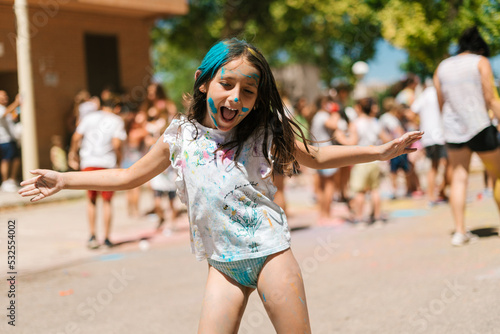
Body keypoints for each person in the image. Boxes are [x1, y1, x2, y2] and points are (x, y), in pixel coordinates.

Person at [19, 38, 422, 333]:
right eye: (226, 85)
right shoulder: (180, 136)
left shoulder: (263, 131)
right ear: (202, 82)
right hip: (224, 267)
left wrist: (378, 152)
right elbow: (127, 176)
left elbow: (315, 156)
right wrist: (65, 179)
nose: (235, 99)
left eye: (248, 91)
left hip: (270, 256)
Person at [434, 26, 500, 246]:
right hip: (480, 124)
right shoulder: (480, 62)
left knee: (459, 178)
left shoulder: (442, 67)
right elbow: (491, 98)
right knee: (497, 175)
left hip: (454, 129)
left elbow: (441, 102)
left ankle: (460, 232)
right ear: (480, 47)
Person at [68, 98, 127, 249]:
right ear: (117, 107)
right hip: (107, 164)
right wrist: (119, 161)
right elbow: (116, 144)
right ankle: (106, 238)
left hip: (89, 162)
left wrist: (72, 154)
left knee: (91, 200)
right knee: (107, 201)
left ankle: (92, 236)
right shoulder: (116, 120)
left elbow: (76, 137)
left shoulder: (89, 117)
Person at [337, 97, 392, 227]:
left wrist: (340, 137)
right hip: (375, 160)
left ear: (360, 108)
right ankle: (377, 217)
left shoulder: (356, 123)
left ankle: (359, 218)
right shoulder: (375, 122)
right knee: (375, 190)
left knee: (359, 191)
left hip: (361, 161)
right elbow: (386, 138)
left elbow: (352, 142)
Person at [410, 78, 449, 206]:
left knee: (433, 166)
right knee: (449, 164)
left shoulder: (424, 95)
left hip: (428, 135)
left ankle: (432, 196)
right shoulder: (441, 92)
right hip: (442, 133)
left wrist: (420, 122)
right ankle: (442, 192)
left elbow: (412, 112)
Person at [310, 95, 339, 224]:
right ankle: (327, 215)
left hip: (318, 152)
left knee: (322, 186)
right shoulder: (323, 116)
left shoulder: (317, 116)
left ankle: (322, 214)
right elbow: (334, 125)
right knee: (329, 185)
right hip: (326, 153)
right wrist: (335, 113)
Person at [379, 97, 411, 199]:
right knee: (399, 169)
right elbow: (397, 131)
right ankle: (399, 189)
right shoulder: (390, 118)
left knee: (394, 170)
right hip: (395, 146)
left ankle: (396, 189)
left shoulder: (384, 117)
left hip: (392, 145)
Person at [0, 91, 21, 192]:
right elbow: (5, 113)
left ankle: (12, 180)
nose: (5, 97)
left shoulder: (6, 108)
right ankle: (5, 182)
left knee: (16, 159)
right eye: (2, 96)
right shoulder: (2, 109)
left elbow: (12, 117)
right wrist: (17, 102)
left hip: (12, 139)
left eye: (6, 95)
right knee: (6, 160)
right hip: (4, 140)